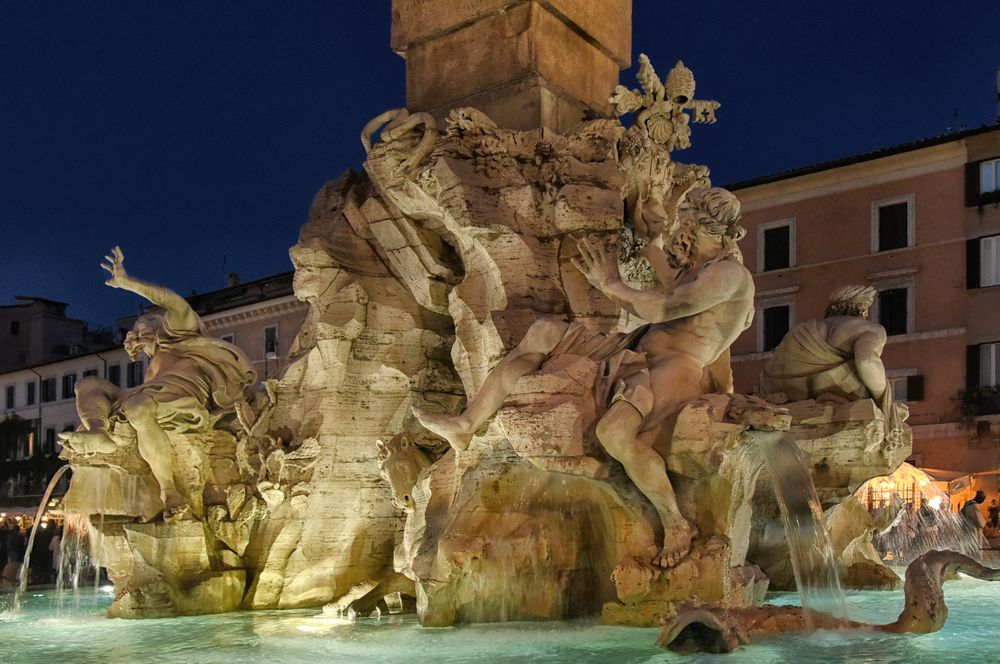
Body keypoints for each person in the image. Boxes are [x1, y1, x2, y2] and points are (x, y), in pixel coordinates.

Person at [414, 187, 755, 567]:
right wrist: (650, 235)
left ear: (698, 224)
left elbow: (666, 306)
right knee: (543, 331)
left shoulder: (730, 275)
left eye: (684, 221)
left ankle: (674, 521)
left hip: (675, 368)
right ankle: (466, 423)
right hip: (632, 348)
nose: (680, 231)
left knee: (614, 433)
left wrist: (611, 283)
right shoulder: (696, 270)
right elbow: (664, 274)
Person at [58, 247, 256, 517]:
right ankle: (98, 429)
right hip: (147, 395)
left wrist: (127, 282)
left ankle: (168, 490)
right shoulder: (153, 364)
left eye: (142, 324)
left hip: (181, 400)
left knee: (138, 406)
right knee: (88, 384)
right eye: (135, 328)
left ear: (159, 325)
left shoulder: (178, 335)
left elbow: (173, 302)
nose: (135, 331)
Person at [758, 285, 908, 440]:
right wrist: (884, 400)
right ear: (863, 310)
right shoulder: (868, 328)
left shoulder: (801, 329)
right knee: (865, 372)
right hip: (825, 395)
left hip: (779, 394)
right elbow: (867, 360)